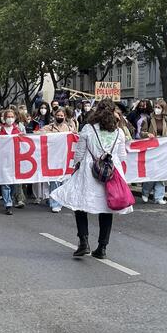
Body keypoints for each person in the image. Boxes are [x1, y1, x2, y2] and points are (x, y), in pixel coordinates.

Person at [50, 99, 132, 259]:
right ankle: (102, 247)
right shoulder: (119, 132)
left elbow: (79, 153)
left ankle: (83, 242)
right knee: (107, 208)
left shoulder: (88, 128)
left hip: (89, 171)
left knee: (80, 204)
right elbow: (122, 156)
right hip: (111, 173)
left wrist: (75, 167)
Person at [140, 101, 167, 204]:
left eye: (159, 107)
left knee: (162, 173)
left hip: (163, 149)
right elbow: (141, 133)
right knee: (152, 171)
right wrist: (147, 134)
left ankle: (159, 197)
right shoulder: (148, 119)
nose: (156, 109)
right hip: (151, 149)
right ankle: (145, 192)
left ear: (163, 109)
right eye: (155, 107)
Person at [0, 109, 25, 215]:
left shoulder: (18, 129)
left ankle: (10, 198)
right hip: (3, 160)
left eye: (12, 116)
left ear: (15, 118)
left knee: (12, 183)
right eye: (8, 116)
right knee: (5, 182)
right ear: (4, 118)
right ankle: (8, 204)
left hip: (15, 159)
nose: (10, 118)